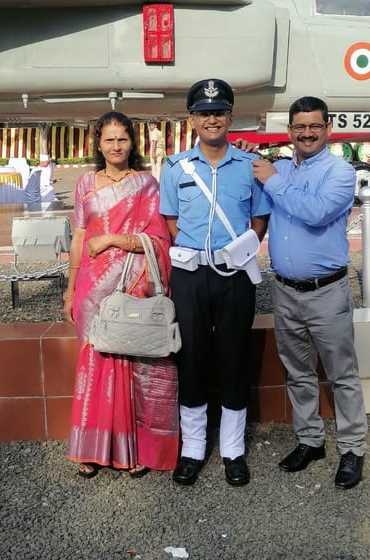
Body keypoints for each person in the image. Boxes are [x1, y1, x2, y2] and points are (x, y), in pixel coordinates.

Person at [252, 96, 367, 489]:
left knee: (342, 373)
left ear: (328, 128)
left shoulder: (340, 172)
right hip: (284, 291)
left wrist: (272, 179)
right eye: (299, 126)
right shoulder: (280, 167)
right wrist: (253, 158)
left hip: (326, 292)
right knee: (298, 371)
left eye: (315, 126)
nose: (307, 133)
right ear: (289, 130)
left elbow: (316, 212)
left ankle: (352, 448)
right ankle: (310, 440)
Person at [159, 78, 270, 486]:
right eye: (204, 113)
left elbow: (259, 218)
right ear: (192, 119)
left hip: (234, 275)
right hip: (190, 275)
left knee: (234, 356)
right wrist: (198, 255)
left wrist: (236, 252)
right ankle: (192, 449)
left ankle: (232, 450)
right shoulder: (175, 167)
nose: (212, 119)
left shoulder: (248, 166)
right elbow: (171, 220)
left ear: (230, 117)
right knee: (191, 357)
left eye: (219, 112)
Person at [63, 111, 179, 479]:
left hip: (134, 284)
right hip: (92, 290)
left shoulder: (146, 185)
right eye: (109, 139)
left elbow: (159, 239)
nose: (116, 146)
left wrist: (113, 239)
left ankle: (133, 449)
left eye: (122, 139)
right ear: (98, 144)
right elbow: (79, 237)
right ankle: (91, 448)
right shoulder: (86, 184)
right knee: (95, 365)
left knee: (134, 369)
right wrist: (70, 290)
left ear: (132, 143)